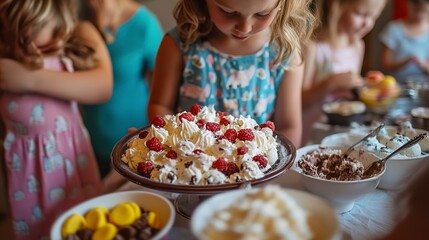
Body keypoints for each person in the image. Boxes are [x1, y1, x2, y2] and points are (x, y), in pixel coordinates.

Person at [0, 0, 112, 239]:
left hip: (73, 166)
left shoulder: (77, 33)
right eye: (49, 44)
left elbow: (102, 88)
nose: (59, 44)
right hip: (27, 174)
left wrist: (28, 78)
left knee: (85, 226)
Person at [147, 0, 318, 148]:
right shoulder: (179, 45)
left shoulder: (284, 53)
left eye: (262, 13)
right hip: (190, 168)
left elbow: (288, 127)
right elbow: (160, 106)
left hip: (255, 175)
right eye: (228, 12)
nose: (245, 27)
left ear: (283, 4)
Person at [80, 0, 164, 181]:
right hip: (87, 142)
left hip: (131, 141)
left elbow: (162, 88)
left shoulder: (144, 25)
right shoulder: (80, 17)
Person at [301, 0, 387, 146]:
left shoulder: (358, 45)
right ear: (335, 5)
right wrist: (330, 83)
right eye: (360, 14)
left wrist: (367, 88)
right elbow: (301, 100)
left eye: (373, 17)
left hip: (342, 131)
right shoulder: (313, 47)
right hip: (313, 132)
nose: (367, 24)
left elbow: (350, 93)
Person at [379, 0, 429, 84]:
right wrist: (404, 62)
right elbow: (385, 64)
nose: (419, 14)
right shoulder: (393, 29)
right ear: (407, 5)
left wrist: (422, 64)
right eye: (415, 9)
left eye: (423, 10)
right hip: (397, 84)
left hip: (424, 87)